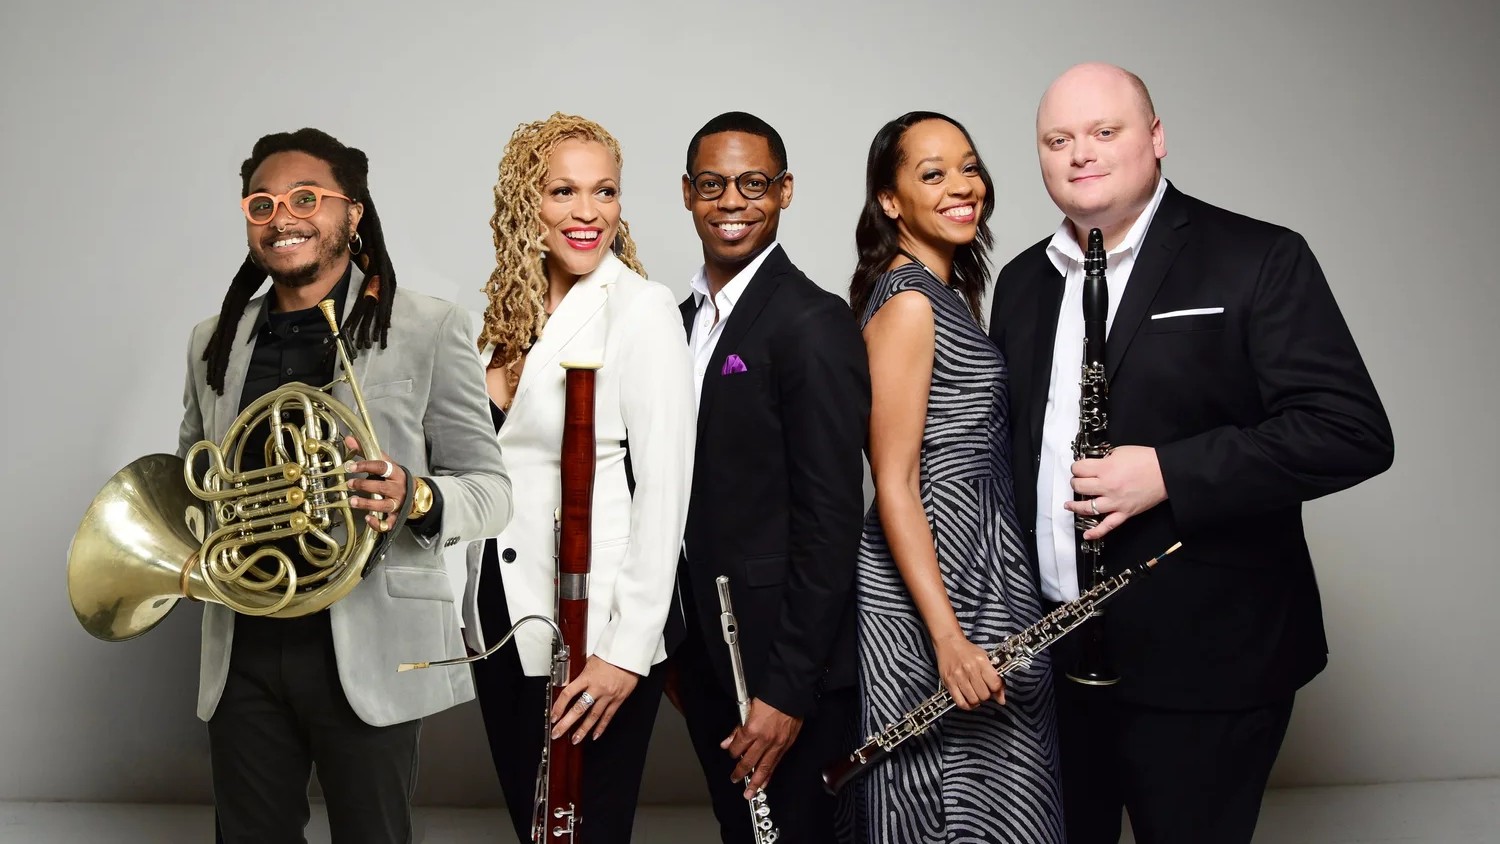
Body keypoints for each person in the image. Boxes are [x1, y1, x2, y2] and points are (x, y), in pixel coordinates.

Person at [988, 63, 1396, 844]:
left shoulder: (1257, 256)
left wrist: (1169, 472)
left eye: (1105, 132)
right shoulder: (1022, 282)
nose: (1081, 153)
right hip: (1053, 658)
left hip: (1209, 660)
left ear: (1156, 137)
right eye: (1058, 139)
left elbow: (1350, 430)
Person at [178, 127, 512, 844]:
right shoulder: (215, 338)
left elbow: (490, 488)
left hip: (368, 641)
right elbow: (191, 480)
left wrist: (416, 496)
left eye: (306, 198)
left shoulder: (426, 327)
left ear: (352, 212)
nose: (282, 217)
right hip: (244, 639)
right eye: (261, 204)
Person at [461, 112, 695, 843]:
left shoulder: (643, 309)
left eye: (605, 192)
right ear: (525, 201)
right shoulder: (502, 318)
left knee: (588, 833)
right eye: (563, 191)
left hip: (592, 630)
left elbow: (666, 494)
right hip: (499, 619)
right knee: (533, 831)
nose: (587, 212)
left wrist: (626, 654)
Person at [849, 111, 1064, 843]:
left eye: (968, 167)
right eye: (932, 174)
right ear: (889, 200)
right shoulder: (909, 302)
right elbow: (895, 482)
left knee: (1006, 804)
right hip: (937, 587)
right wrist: (947, 637)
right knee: (949, 808)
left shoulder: (950, 293)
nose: (962, 186)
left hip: (987, 570)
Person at [667, 112, 869, 844]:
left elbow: (831, 517)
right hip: (707, 657)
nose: (732, 202)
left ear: (785, 192)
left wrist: (788, 690)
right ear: (687, 193)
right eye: (714, 185)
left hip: (787, 671)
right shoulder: (681, 319)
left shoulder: (811, 321)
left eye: (754, 184)